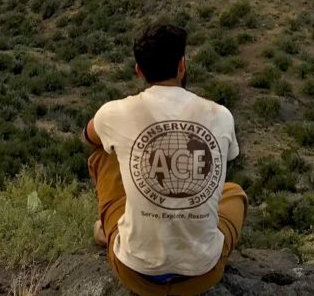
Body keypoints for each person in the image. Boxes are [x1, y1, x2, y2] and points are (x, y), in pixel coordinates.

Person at [84, 22, 248, 296]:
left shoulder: (115, 112)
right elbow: (228, 157)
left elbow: (90, 138)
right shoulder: (220, 115)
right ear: (182, 65)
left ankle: (109, 230)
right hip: (202, 275)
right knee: (235, 194)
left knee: (104, 153)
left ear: (139, 71)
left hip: (135, 273)